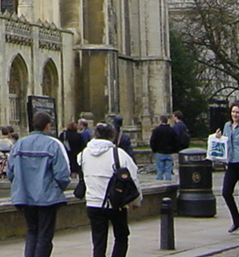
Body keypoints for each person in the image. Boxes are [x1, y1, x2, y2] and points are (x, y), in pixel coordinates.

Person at [7, 110, 72, 257]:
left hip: (25, 196)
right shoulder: (52, 145)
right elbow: (62, 175)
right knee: (44, 234)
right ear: (48, 126)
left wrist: (20, 186)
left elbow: (10, 172)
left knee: (32, 231)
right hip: (47, 197)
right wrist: (57, 189)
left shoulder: (19, 144)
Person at [81, 121, 142, 257]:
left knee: (98, 241)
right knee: (121, 236)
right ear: (112, 136)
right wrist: (136, 201)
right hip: (116, 202)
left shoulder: (84, 153)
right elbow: (133, 178)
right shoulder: (119, 154)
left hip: (93, 203)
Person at [215, 102, 239, 235]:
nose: (235, 115)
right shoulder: (227, 125)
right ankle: (237, 220)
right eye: (233, 112)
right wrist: (218, 138)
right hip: (231, 162)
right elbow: (225, 141)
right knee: (226, 192)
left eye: (237, 112)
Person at [149, 115, 180, 182]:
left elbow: (152, 141)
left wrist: (154, 150)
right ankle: (168, 183)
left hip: (160, 152)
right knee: (168, 170)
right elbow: (176, 141)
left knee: (159, 170)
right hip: (169, 153)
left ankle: (160, 183)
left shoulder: (156, 130)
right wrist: (173, 150)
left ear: (160, 121)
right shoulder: (171, 130)